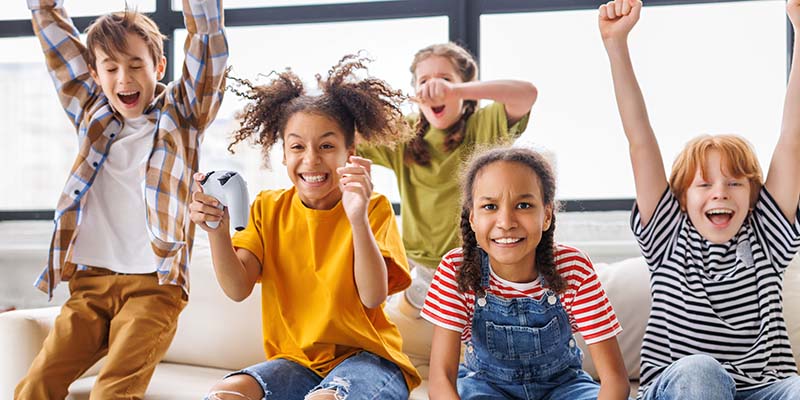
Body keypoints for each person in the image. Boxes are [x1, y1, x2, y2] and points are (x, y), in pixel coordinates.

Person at [15, 0, 227, 398]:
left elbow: (207, 40)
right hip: (90, 284)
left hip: (154, 288)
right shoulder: (89, 110)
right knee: (36, 386)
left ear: (158, 67)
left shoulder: (183, 113)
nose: (124, 79)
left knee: (112, 392)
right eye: (111, 68)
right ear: (95, 75)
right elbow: (53, 34)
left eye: (135, 65)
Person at [191, 55, 421, 400]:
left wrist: (357, 219)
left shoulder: (373, 208)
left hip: (370, 361)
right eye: (297, 146)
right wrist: (217, 231)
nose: (311, 159)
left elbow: (373, 296)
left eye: (327, 146)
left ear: (350, 153)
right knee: (224, 394)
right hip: (297, 363)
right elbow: (237, 288)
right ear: (284, 154)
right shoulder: (267, 208)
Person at [600, 0, 800, 398]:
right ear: (681, 199)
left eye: (735, 183)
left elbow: (792, 141)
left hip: (764, 387)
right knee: (701, 370)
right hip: (685, 386)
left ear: (754, 197)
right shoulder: (668, 234)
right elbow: (640, 141)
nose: (720, 192)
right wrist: (616, 44)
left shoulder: (766, 236)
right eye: (704, 184)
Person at [357, 42, 538, 367]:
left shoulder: (483, 125)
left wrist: (455, 91)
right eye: (424, 81)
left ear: (465, 87)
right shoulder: (405, 135)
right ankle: (412, 301)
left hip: (474, 263)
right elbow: (346, 138)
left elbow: (526, 93)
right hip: (419, 265)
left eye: (444, 78)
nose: (434, 87)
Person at [422, 146, 630, 399]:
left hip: (564, 388)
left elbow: (615, 380)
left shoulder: (573, 267)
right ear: (472, 217)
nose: (506, 222)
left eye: (523, 205)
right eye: (490, 206)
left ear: (547, 215)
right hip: (485, 387)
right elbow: (441, 381)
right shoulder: (457, 269)